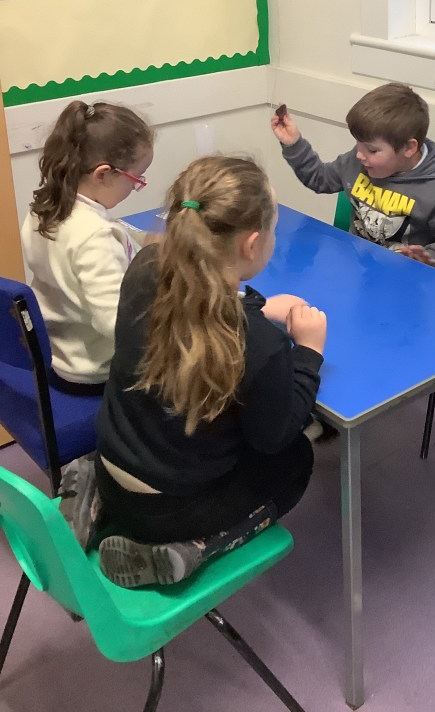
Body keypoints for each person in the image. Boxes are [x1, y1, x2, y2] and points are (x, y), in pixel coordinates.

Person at [91, 156, 326, 588]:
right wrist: (309, 353)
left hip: (110, 469)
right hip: (172, 511)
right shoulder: (261, 344)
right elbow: (274, 436)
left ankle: (93, 499)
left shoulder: (144, 268)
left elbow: (197, 306)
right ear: (252, 244)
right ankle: (197, 547)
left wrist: (250, 306)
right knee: (296, 458)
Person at [21, 100, 154, 391]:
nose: (136, 187)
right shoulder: (95, 236)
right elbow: (116, 324)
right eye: (136, 178)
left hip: (59, 354)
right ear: (103, 174)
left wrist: (146, 241)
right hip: (97, 373)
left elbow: (101, 233)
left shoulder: (44, 208)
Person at [270, 82, 435, 272]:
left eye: (372, 150)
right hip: (358, 271)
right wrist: (293, 143)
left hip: (404, 279)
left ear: (409, 148)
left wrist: (431, 257)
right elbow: (319, 178)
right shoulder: (358, 161)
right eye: (358, 145)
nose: (359, 155)